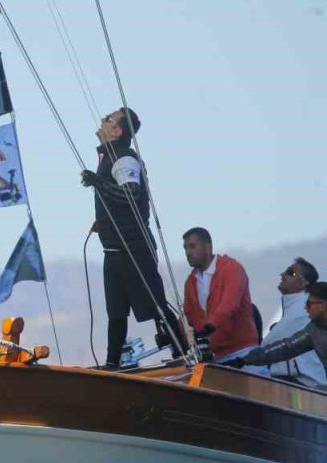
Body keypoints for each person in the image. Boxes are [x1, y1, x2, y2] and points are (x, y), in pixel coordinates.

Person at [80, 107, 186, 368]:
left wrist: (97, 182)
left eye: (108, 118)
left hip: (133, 248)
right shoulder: (110, 157)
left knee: (156, 305)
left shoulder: (124, 159)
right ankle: (112, 364)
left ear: (117, 130)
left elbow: (129, 195)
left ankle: (184, 353)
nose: (103, 120)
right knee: (116, 312)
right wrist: (104, 222)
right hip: (114, 249)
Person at [180, 227, 258, 362]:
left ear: (208, 247)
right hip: (214, 356)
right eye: (185, 248)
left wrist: (209, 325)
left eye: (192, 246)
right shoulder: (190, 282)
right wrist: (178, 334)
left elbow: (229, 304)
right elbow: (188, 316)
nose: (188, 252)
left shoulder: (232, 269)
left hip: (243, 352)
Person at [260, 257, 326, 389]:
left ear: (302, 283)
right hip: (304, 384)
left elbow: (265, 346)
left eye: (291, 272)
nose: (282, 274)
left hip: (303, 385)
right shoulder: (298, 307)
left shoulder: (302, 311)